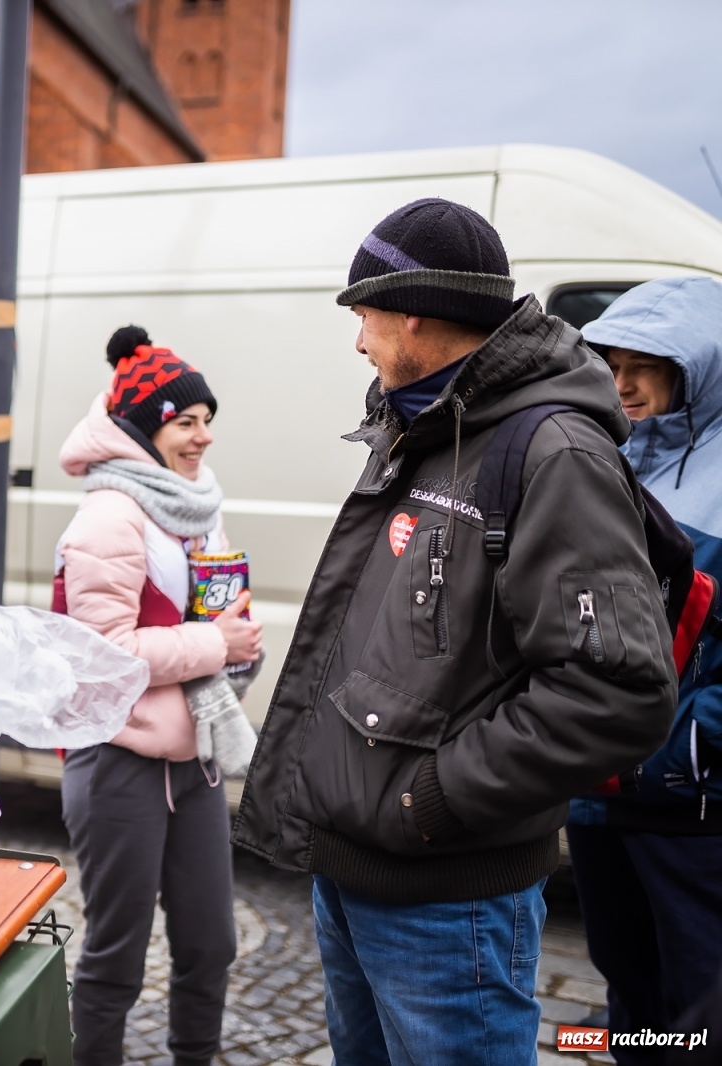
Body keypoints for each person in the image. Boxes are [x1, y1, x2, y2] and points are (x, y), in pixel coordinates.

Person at [233, 198, 677, 1064]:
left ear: (412, 312)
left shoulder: (554, 453)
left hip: (445, 902)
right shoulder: (424, 421)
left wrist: (428, 802)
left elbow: (616, 690)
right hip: (353, 874)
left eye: (362, 313)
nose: (357, 339)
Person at [53, 326, 264, 1066]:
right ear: (145, 430)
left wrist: (237, 647)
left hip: (195, 759)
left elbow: (211, 628)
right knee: (116, 956)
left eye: (207, 419)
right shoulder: (109, 517)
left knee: (211, 945)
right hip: (119, 764)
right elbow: (104, 655)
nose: (204, 436)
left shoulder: (195, 505)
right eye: (186, 421)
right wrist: (217, 646)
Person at [566, 276, 722, 1064]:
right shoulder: (598, 459)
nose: (621, 382)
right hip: (596, 792)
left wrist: (698, 741)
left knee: (701, 1007)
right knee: (626, 992)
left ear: (696, 369)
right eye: (611, 361)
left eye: (645, 365)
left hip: (690, 805)